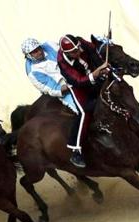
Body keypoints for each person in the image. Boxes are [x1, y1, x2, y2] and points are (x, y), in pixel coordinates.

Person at [57, 34, 110, 168]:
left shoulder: (79, 42)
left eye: (78, 48)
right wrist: (96, 73)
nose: (79, 51)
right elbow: (78, 81)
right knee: (84, 112)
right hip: (78, 86)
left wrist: (104, 43)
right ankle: (76, 150)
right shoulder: (62, 62)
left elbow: (93, 48)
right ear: (67, 53)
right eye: (75, 51)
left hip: (93, 73)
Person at [21, 38, 78, 113]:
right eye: (35, 52)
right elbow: (51, 87)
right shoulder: (32, 72)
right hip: (67, 90)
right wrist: (65, 87)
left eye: (39, 49)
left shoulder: (50, 45)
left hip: (77, 75)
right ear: (28, 56)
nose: (39, 52)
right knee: (80, 108)